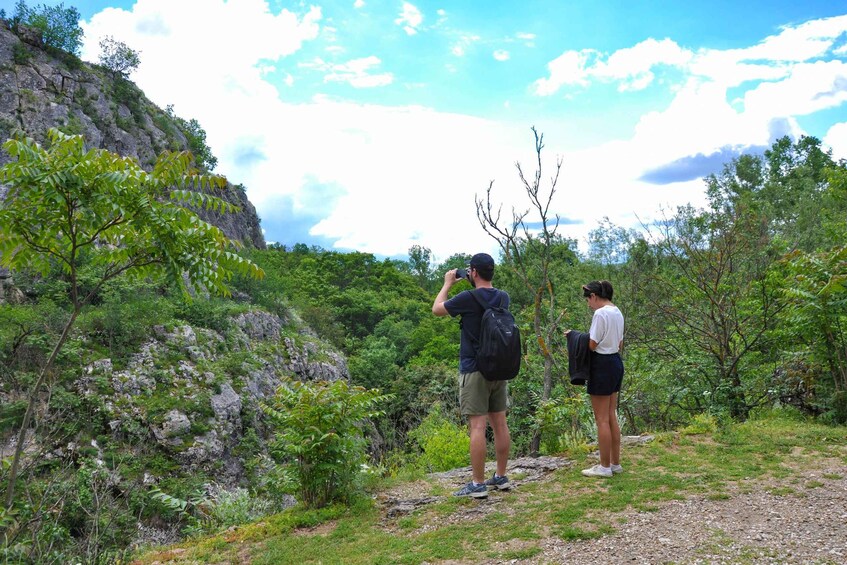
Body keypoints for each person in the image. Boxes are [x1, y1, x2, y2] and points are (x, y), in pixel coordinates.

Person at [432, 252, 512, 498]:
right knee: (500, 423)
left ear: (474, 272)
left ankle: (477, 484)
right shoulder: (503, 297)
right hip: (499, 367)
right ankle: (500, 476)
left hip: (474, 369)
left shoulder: (468, 297)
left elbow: (437, 309)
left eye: (470, 270)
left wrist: (447, 283)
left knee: (478, 425)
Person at [570, 280, 625, 478]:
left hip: (601, 364)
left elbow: (592, 344)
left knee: (601, 419)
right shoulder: (617, 311)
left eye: (588, 300)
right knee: (611, 415)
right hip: (615, 362)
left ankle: (603, 467)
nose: (588, 304)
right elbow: (619, 342)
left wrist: (575, 336)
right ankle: (615, 463)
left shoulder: (600, 313)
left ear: (594, 296)